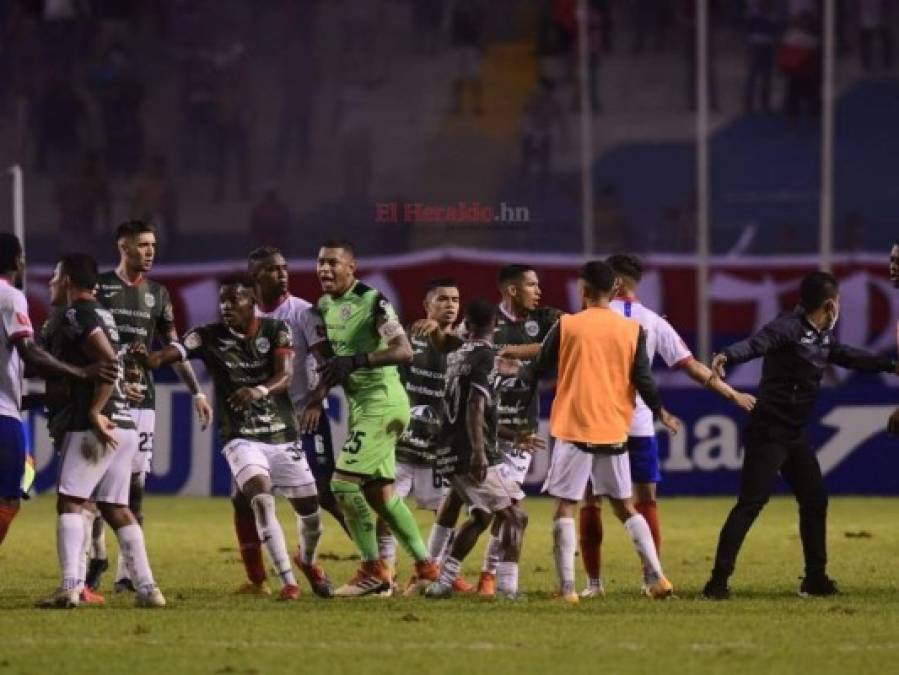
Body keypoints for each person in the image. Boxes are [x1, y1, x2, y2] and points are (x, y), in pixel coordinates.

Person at [702, 271, 899, 599]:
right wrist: (728, 355)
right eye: (836, 302)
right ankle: (717, 583)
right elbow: (756, 343)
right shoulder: (788, 327)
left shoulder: (819, 334)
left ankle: (815, 579)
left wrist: (890, 365)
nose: (837, 307)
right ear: (828, 304)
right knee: (751, 503)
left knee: (815, 499)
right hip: (769, 432)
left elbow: (847, 356)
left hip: (793, 435)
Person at [134, 277, 332, 600]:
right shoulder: (208, 335)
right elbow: (173, 353)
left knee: (311, 511)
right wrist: (151, 359)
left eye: (234, 300)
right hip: (240, 437)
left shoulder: (275, 330)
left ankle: (307, 561)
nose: (226, 307)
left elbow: (285, 376)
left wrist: (258, 390)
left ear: (252, 300)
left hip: (282, 434)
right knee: (260, 497)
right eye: (222, 301)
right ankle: (287, 582)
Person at [577, 254, 756, 597]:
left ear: (613, 282)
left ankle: (593, 584)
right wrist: (732, 394)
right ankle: (651, 578)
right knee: (646, 502)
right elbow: (692, 367)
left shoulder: (590, 318)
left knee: (591, 500)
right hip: (639, 423)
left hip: (597, 422)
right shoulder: (653, 322)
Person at [528, 260, 680, 604]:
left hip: (574, 426)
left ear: (582, 290)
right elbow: (643, 379)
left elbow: (538, 368)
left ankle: (568, 589)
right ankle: (657, 578)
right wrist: (661, 412)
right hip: (614, 429)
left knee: (565, 506)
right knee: (626, 506)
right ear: (613, 290)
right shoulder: (631, 330)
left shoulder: (567, 325)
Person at [38, 254, 164, 609]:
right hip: (123, 422)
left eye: (54, 276)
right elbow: (115, 361)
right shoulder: (103, 313)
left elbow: (108, 362)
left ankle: (70, 587)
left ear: (66, 280)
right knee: (115, 506)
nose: (50, 283)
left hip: (96, 424)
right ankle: (148, 588)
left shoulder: (78, 313)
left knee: (70, 502)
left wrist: (94, 410)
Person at [315, 240, 439, 597]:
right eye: (320, 262)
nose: (325, 269)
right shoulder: (325, 305)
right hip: (365, 406)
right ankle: (426, 565)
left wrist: (357, 361)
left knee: (341, 485)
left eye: (333, 263)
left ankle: (373, 569)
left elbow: (404, 350)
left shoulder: (373, 301)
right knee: (380, 496)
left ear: (352, 267)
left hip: (382, 403)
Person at [94, 220, 212, 594]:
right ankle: (94, 554)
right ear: (123, 247)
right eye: (143, 245)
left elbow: (174, 349)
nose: (150, 252)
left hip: (143, 401)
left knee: (135, 487)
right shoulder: (101, 287)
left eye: (154, 246)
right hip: (107, 400)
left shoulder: (158, 294)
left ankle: (126, 573)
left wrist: (196, 392)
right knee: (100, 483)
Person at [229, 246, 346, 596]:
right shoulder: (242, 317)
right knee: (241, 498)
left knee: (324, 493)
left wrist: (315, 400)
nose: (281, 274)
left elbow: (329, 365)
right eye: (271, 270)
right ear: (254, 277)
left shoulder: (304, 314)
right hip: (260, 421)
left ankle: (374, 564)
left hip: (304, 415)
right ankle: (256, 580)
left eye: (283, 268)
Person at [0, 235, 117, 551]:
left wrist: (42, 398)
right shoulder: (10, 296)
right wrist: (81, 372)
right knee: (8, 498)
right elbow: (29, 353)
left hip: (9, 407)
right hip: (3, 419)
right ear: (16, 261)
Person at [424, 299, 528, 599]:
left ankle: (443, 582)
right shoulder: (485, 356)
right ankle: (508, 589)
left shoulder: (456, 354)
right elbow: (474, 404)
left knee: (482, 516)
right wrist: (480, 453)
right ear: (495, 326)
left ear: (466, 326)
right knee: (515, 517)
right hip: (471, 451)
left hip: (448, 450)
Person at [377, 278, 473, 593]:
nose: (450, 305)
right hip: (402, 445)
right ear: (426, 306)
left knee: (446, 513)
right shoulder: (408, 339)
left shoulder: (465, 347)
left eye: (455, 300)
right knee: (387, 507)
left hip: (439, 450)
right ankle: (384, 571)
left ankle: (435, 570)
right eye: (442, 299)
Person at [478, 264, 558, 596]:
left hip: (522, 432)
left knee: (505, 509)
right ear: (512, 290)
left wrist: (511, 351)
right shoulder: (486, 323)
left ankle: (487, 576)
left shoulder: (543, 319)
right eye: (531, 285)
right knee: (483, 511)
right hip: (486, 429)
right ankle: (439, 571)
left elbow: (570, 333)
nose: (538, 291)